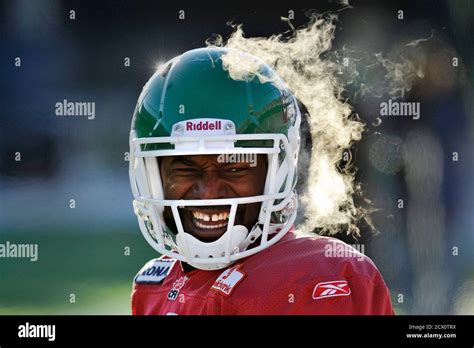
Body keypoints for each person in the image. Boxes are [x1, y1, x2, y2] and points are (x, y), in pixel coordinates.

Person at [129, 47, 394, 315]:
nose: (208, 192)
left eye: (234, 169)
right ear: (153, 176)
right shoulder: (156, 287)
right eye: (185, 169)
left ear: (277, 172)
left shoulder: (312, 277)